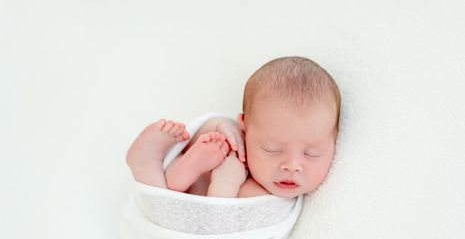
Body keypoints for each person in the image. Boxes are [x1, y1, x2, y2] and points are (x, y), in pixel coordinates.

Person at [126, 56, 340, 199]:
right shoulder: (241, 145)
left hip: (189, 207)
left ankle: (147, 165)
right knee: (214, 139)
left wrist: (226, 182)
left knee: (167, 197)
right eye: (272, 149)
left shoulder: (260, 197)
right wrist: (222, 125)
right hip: (192, 182)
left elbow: (218, 226)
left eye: (312, 153)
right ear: (245, 125)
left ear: (334, 139)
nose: (292, 166)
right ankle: (161, 162)